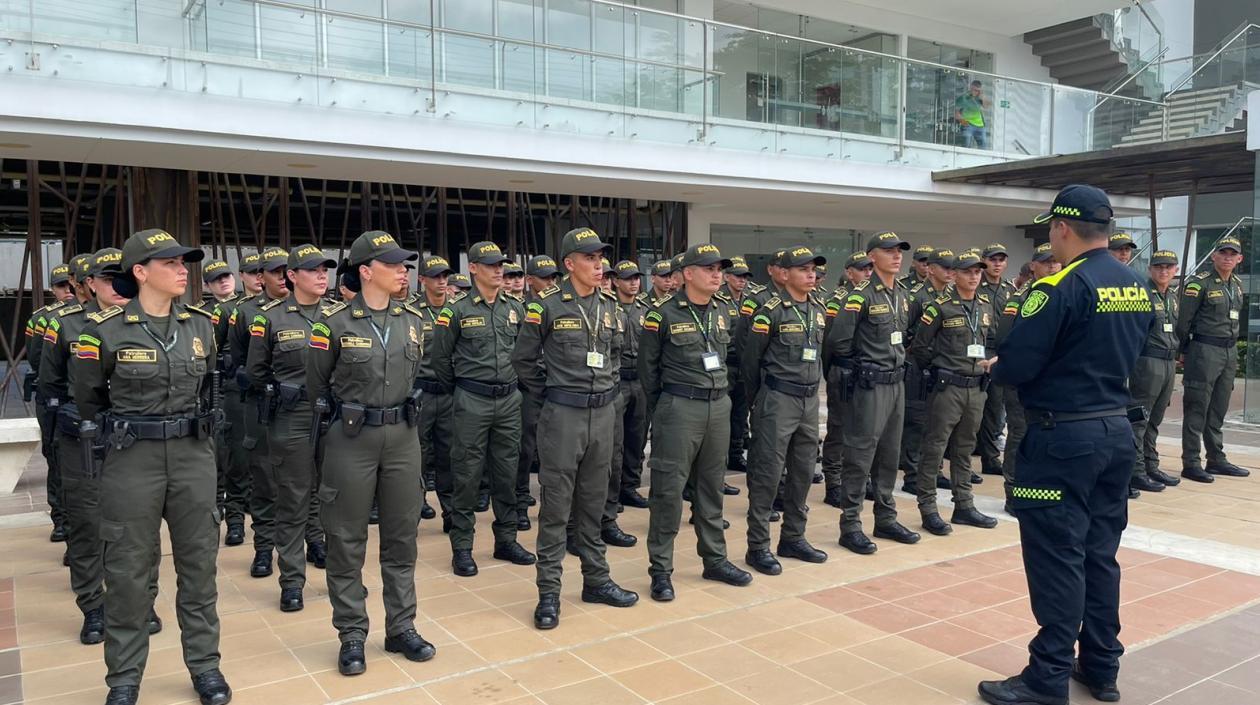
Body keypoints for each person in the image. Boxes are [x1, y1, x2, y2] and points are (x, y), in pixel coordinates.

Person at [979, 184, 1153, 705]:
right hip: (1116, 433)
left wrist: (997, 367)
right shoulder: (1137, 285)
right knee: (1100, 554)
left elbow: (1019, 364)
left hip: (1061, 441)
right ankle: (1100, 666)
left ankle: (1047, 676)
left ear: (1061, 227)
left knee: (1057, 555)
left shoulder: (1055, 288)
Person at [75, 229, 230, 705]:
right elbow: (89, 399)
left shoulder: (202, 325)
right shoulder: (102, 332)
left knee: (199, 568)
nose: (183, 269)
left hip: (192, 456)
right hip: (132, 458)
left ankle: (205, 667)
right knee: (126, 573)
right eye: (170, 263)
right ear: (140, 272)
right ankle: (123, 679)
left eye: (185, 262)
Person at [307, 230, 435, 676]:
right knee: (345, 540)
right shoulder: (334, 324)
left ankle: (401, 627)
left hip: (402, 436)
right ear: (366, 272)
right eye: (394, 263)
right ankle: (352, 634)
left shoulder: (413, 320)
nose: (405, 270)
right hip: (351, 439)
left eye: (405, 263)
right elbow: (316, 386)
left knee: (402, 537)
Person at [512, 227, 640, 627]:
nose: (598, 264)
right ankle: (549, 593)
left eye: (600, 258)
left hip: (603, 415)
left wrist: (607, 392)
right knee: (555, 509)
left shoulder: (611, 307)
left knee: (594, 503)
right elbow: (523, 361)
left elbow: (616, 357)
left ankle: (596, 580)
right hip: (563, 415)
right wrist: (555, 394)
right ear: (569, 264)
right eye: (589, 258)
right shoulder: (546, 306)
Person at [40, 248, 161, 645]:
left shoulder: (149, 322)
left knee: (140, 527)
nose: (119, 287)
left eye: (123, 278)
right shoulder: (65, 325)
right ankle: (94, 605)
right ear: (89, 284)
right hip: (84, 441)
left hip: (134, 440)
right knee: (88, 526)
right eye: (109, 279)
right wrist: (54, 443)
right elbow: (50, 389)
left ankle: (142, 600)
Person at [640, 243, 751, 601]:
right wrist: (670, 406)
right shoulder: (662, 314)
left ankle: (715, 559)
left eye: (720, 268)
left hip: (717, 407)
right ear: (688, 274)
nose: (717, 274)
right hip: (679, 407)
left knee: (711, 488)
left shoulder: (722, 311)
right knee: (668, 491)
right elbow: (648, 372)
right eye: (709, 268)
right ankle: (661, 570)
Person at [432, 241, 535, 577]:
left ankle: (506, 539)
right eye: (490, 265)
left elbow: (524, 353)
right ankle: (462, 547)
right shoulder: (456, 310)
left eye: (500, 265)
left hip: (508, 400)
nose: (498, 270)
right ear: (473, 268)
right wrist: (463, 389)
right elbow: (441, 359)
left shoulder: (515, 308)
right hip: (471, 399)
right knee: (467, 474)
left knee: (506, 472)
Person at [247, 245, 337, 613]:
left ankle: (339, 576)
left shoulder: (339, 316)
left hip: (332, 417)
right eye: (312, 270)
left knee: (334, 498)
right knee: (294, 499)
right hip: (293, 416)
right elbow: (255, 372)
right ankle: (292, 581)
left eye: (324, 270)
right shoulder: (270, 318)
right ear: (292, 276)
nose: (321, 276)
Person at [823, 232, 921, 555]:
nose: (897, 257)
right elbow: (839, 342)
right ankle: (850, 525)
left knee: (890, 454)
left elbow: (906, 334)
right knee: (860, 455)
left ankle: (886, 516)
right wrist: (862, 369)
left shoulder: (903, 294)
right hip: (869, 384)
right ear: (871, 257)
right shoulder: (860, 295)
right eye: (889, 251)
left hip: (897, 384)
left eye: (899, 251)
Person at [742, 246, 830, 575]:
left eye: (814, 270)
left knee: (804, 471)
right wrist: (759, 401)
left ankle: (793, 537)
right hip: (778, 399)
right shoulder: (770, 311)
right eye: (804, 269)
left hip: (808, 401)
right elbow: (751, 362)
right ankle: (758, 546)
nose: (811, 275)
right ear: (786, 273)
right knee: (767, 474)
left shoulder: (818, 309)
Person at [910, 252, 999, 535]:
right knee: (935, 448)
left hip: (976, 388)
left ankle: (964, 505)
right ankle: (928, 509)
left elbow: (992, 340)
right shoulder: (940, 308)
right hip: (948, 387)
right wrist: (940, 369)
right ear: (955, 275)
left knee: (963, 450)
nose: (974, 277)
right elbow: (920, 347)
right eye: (968, 272)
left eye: (977, 272)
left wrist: (990, 361)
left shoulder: (984, 306)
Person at [230, 247, 290, 579]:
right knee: (264, 479)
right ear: (260, 277)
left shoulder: (312, 310)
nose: (283, 277)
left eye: (287, 271)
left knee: (307, 482)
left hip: (303, 410)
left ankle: (313, 540)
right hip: (263, 406)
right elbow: (241, 362)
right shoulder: (246, 313)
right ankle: (264, 548)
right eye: (276, 271)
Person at [994, 244, 1061, 512]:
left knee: (1047, 437)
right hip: (1023, 380)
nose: (1053, 267)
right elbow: (1004, 340)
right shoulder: (1021, 298)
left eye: (1056, 262)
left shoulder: (1062, 295)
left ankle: (1039, 489)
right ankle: (1013, 492)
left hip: (1051, 381)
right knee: (1020, 435)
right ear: (1033, 266)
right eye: (1046, 263)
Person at [1178, 236, 1249, 482]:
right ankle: (1191, 462)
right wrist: (1185, 351)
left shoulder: (1237, 284)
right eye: (1223, 253)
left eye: (1233, 254)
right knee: (1197, 407)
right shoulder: (1200, 284)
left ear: (1239, 259)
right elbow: (1183, 321)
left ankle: (1216, 459)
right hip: (1204, 350)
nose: (1228, 257)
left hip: (1228, 353)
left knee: (1218, 408)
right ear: (1214, 256)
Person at [213, 253, 264, 547]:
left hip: (270, 398)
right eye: (252, 272)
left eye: (263, 271)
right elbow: (218, 354)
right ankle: (234, 520)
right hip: (237, 394)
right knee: (238, 460)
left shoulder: (284, 310)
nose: (259, 277)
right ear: (242, 276)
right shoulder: (234, 311)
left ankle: (264, 526)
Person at [27, 263, 76, 543]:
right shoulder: (42, 319)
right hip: (53, 399)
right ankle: (60, 518)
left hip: (79, 399)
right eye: (60, 287)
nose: (67, 291)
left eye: (70, 285)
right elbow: (36, 360)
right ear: (52, 289)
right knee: (56, 458)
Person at [821, 252, 873, 507]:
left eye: (870, 269)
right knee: (839, 430)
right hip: (843, 372)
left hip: (867, 374)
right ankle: (833, 482)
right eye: (862, 269)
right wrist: (833, 371)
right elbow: (830, 342)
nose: (867, 273)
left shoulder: (876, 297)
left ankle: (860, 481)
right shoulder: (837, 300)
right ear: (849, 272)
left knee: (864, 430)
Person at [1128, 250, 1182, 496]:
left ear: (1175, 270)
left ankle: (1151, 465)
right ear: (1150, 269)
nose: (1164, 271)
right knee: (1140, 418)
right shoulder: (1142, 294)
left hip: (1169, 363)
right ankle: (1135, 471)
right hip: (1147, 362)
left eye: (1168, 267)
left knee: (1156, 419)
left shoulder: (1171, 295)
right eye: (1159, 267)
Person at [902, 249, 955, 493]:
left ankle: (934, 471)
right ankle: (912, 475)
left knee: (937, 422)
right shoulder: (916, 296)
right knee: (917, 420)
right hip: (918, 364)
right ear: (931, 269)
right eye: (945, 267)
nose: (950, 272)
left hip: (941, 365)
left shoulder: (952, 296)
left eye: (952, 268)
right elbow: (904, 331)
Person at [409, 256, 455, 529]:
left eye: (445, 275)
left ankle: (450, 513)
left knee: (450, 455)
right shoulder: (412, 312)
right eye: (435, 276)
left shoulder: (457, 309)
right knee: (418, 457)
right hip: (421, 394)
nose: (441, 281)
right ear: (422, 280)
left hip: (450, 394)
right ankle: (414, 512)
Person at [976, 243, 1017, 478]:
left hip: (1000, 351)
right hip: (979, 349)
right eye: (993, 259)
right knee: (975, 408)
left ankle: (990, 458)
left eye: (1001, 259)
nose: (997, 263)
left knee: (995, 407)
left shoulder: (1010, 290)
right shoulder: (974, 286)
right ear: (984, 261)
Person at [613, 260, 650, 510]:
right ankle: (611, 491)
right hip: (615, 382)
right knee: (614, 442)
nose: (634, 282)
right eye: (628, 278)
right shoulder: (608, 308)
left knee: (636, 438)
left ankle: (630, 487)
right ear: (616, 281)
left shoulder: (645, 310)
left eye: (636, 278)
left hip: (639, 380)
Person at [720, 257, 754, 475]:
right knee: (722, 415)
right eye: (737, 276)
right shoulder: (719, 299)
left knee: (740, 415)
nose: (742, 281)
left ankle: (735, 455)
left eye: (745, 277)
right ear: (727, 277)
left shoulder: (749, 300)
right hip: (726, 363)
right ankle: (720, 460)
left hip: (744, 364)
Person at [956, 79, 990, 150]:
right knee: (966, 145)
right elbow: (956, 113)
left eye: (977, 90)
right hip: (968, 125)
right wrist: (964, 123)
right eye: (974, 90)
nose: (975, 92)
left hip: (980, 126)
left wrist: (982, 96)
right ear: (970, 88)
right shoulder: (964, 97)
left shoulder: (980, 98)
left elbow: (986, 106)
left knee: (983, 147)